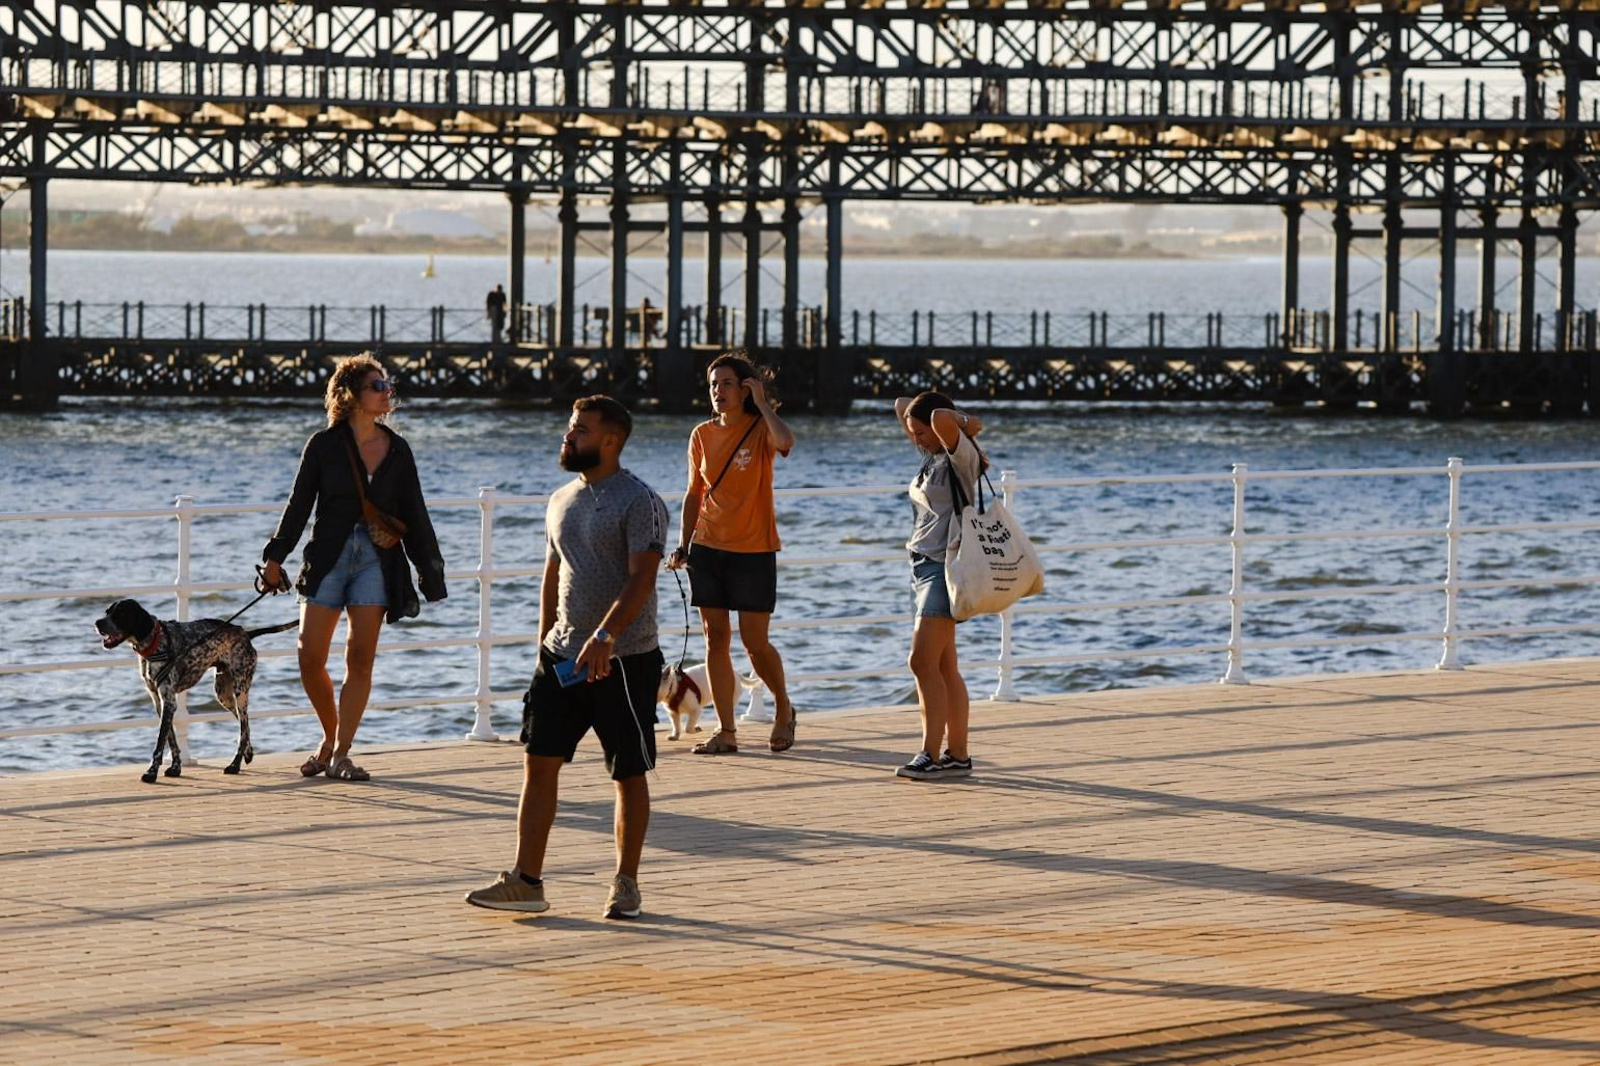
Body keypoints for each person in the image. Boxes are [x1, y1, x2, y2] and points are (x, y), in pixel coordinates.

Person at [466, 395, 668, 919]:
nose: (568, 436)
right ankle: (526, 881)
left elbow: (643, 576)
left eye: (579, 430)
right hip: (562, 657)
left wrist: (606, 634)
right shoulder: (560, 498)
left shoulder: (638, 500)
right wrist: (543, 642)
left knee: (627, 771)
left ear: (610, 440)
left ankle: (626, 883)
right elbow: (552, 575)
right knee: (539, 761)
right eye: (569, 427)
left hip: (623, 658)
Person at [260, 353, 447, 782]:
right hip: (328, 556)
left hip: (376, 561)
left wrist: (429, 570)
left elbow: (415, 512)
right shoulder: (323, 446)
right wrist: (275, 557)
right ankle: (330, 738)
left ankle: (342, 753)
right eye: (377, 386)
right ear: (350, 395)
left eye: (387, 385)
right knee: (310, 657)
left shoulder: (398, 450)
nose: (387, 392)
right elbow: (299, 505)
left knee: (360, 659)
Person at [665, 350, 798, 754]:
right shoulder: (701, 435)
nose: (718, 392)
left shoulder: (760, 429)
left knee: (755, 642)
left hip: (754, 549)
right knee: (715, 639)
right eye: (712, 385)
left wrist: (762, 403)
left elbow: (787, 442)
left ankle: (783, 708)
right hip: (707, 547)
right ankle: (726, 731)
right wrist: (684, 543)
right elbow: (694, 493)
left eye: (726, 384)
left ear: (743, 389)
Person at [894, 391, 985, 781]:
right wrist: (920, 421)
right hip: (922, 567)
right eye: (914, 433)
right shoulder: (931, 454)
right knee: (945, 666)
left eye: (921, 432)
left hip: (943, 568)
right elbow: (901, 404)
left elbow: (946, 420)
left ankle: (930, 754)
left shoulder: (958, 455)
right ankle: (958, 755)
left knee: (921, 661)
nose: (916, 438)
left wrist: (967, 423)